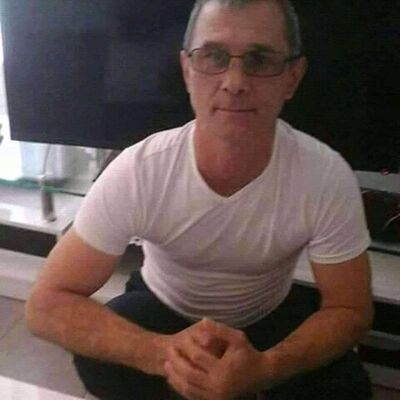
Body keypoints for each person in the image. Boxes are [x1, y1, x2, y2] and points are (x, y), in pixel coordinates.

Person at [25, 0, 374, 399]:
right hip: (163, 307)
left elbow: (351, 309)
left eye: (260, 59)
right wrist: (163, 355)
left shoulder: (326, 175)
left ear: (292, 78)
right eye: (214, 56)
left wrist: (266, 368)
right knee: (102, 359)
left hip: (269, 313)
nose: (235, 82)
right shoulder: (140, 169)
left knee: (345, 386)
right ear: (188, 70)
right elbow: (45, 304)